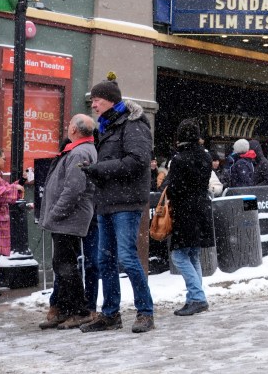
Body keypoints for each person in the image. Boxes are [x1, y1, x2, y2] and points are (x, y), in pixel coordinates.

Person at [79, 73, 156, 333]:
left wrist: (99, 169)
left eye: (97, 99)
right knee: (105, 261)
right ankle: (110, 314)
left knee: (127, 258)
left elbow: (138, 161)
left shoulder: (133, 125)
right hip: (107, 202)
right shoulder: (107, 127)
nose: (93, 104)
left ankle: (145, 312)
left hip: (127, 203)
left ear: (110, 101)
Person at [37, 114, 98, 329]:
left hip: (68, 219)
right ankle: (64, 309)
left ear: (74, 129)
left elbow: (73, 190)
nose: (67, 126)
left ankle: (80, 311)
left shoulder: (80, 151)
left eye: (70, 123)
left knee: (66, 266)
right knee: (62, 264)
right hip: (67, 219)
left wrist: (54, 213)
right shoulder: (77, 149)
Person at [162, 119, 215, 316]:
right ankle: (193, 298)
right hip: (201, 208)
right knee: (192, 254)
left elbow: (173, 188)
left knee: (179, 255)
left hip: (185, 211)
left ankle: (198, 297)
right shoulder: (206, 156)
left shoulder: (179, 158)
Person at [0, 148, 25, 297]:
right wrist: (14, 187)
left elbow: (4, 189)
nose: (5, 161)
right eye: (3, 158)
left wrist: (20, 183)